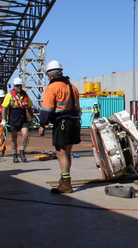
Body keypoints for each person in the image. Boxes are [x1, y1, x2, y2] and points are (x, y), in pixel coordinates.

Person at [38, 60, 82, 194]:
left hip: (62, 123)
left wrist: (42, 124)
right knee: (67, 153)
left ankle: (66, 183)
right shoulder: (72, 87)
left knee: (61, 153)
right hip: (74, 123)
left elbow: (47, 109)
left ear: (50, 75)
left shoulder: (52, 88)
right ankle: (65, 179)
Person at [2, 78, 33, 163]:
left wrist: (32, 117)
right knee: (14, 138)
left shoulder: (25, 95)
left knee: (26, 135)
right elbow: (4, 108)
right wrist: (4, 119)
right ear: (14, 86)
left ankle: (22, 151)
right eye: (17, 86)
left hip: (23, 118)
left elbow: (29, 107)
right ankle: (15, 154)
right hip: (13, 118)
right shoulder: (9, 96)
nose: (19, 87)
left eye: (20, 85)